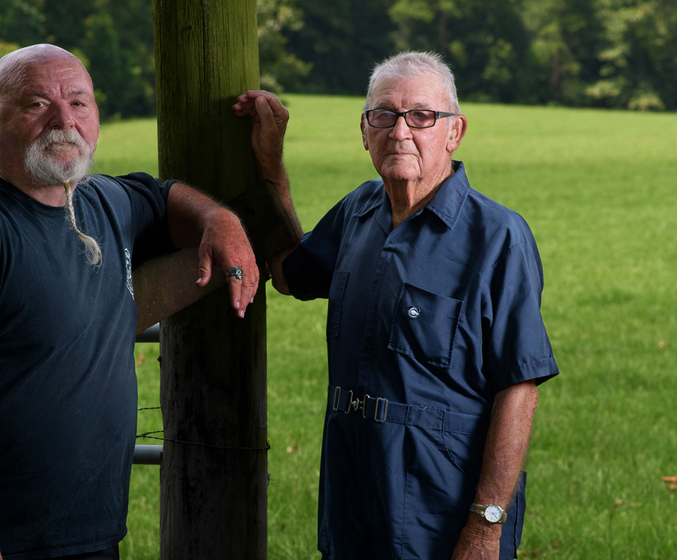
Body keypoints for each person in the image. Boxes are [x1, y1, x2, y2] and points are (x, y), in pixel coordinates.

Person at [0, 44, 259, 560]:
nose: (63, 121)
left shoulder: (99, 203)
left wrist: (220, 221)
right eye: (35, 104)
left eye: (79, 103)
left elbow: (161, 198)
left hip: (82, 538)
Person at [234, 51, 558, 559]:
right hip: (352, 502)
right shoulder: (357, 213)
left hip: (442, 512)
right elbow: (287, 272)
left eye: (422, 116)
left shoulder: (497, 237)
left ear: (454, 131)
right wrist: (271, 165)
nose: (400, 131)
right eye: (383, 115)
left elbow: (518, 389)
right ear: (365, 132)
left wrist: (486, 524)